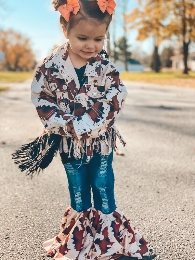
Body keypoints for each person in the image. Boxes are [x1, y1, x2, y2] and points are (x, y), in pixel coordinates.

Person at [31, 0, 152, 259]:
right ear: (65, 30)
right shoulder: (50, 66)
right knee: (78, 187)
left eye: (99, 39)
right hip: (69, 141)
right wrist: (67, 124)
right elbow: (41, 98)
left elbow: (118, 94)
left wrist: (93, 123)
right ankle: (79, 241)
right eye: (83, 37)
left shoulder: (105, 66)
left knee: (102, 183)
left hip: (100, 140)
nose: (91, 45)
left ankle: (109, 241)